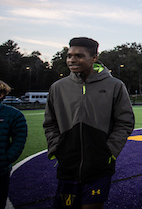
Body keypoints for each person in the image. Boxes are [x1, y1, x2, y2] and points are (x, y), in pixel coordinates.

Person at [43, 37, 135, 209]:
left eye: (79, 55)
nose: (72, 60)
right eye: (69, 55)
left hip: (100, 166)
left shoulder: (115, 85)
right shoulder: (58, 87)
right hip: (67, 166)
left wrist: (109, 151)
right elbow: (49, 123)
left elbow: (125, 122)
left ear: (94, 58)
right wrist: (57, 148)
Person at [0, 81, 27, 209]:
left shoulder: (13, 114)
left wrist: (6, 159)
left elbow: (19, 140)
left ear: (1, 94)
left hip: (0, 170)